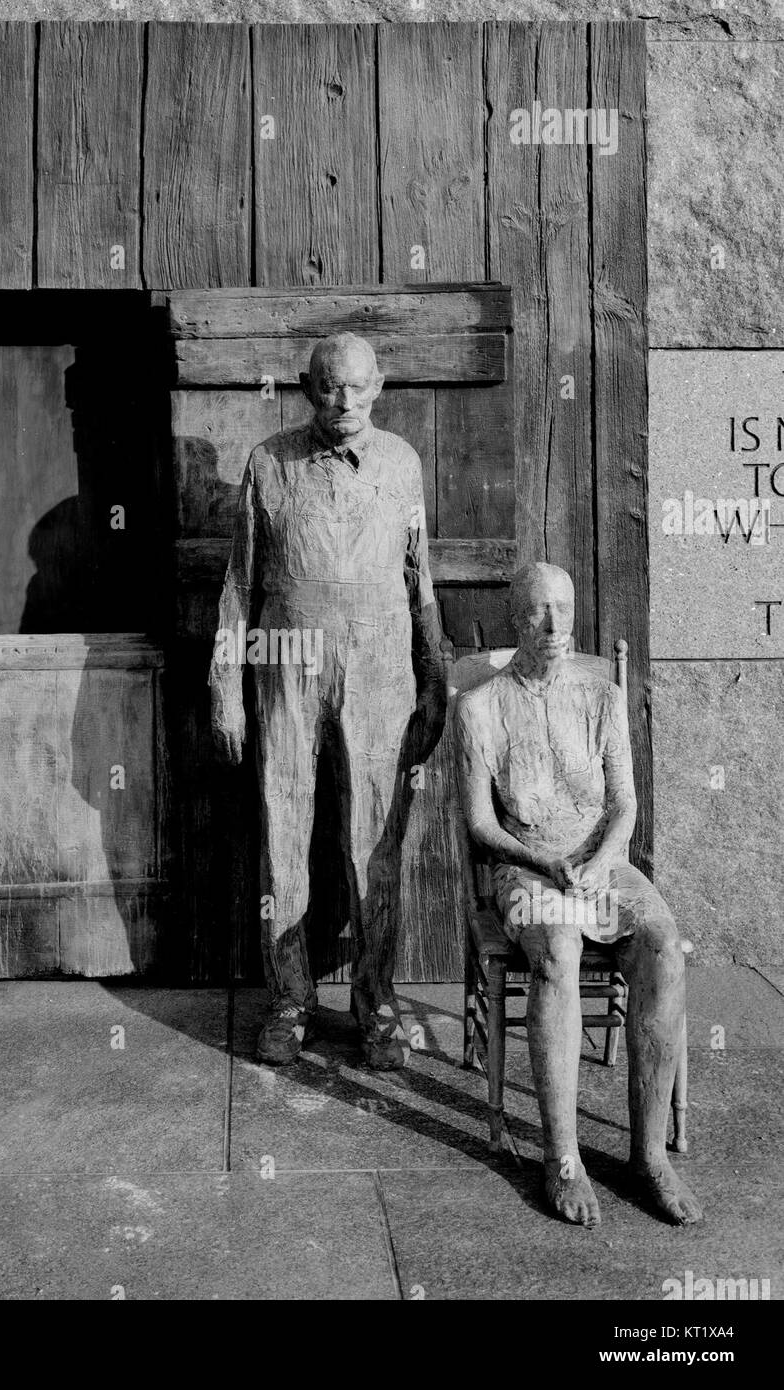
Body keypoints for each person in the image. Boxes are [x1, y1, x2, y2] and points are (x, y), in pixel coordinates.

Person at [210, 333, 450, 1068]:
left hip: (379, 674)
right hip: (285, 669)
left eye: (355, 387)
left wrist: (435, 674)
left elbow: (420, 583)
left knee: (374, 846)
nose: (342, 402)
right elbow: (239, 587)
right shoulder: (269, 463)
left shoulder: (401, 463)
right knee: (283, 836)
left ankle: (377, 1004)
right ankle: (289, 1001)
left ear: (377, 387)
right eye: (327, 387)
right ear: (306, 388)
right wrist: (224, 685)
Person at [455, 561, 702, 1226]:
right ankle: (562, 1158)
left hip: (604, 863)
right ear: (517, 618)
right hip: (526, 868)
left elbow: (623, 804)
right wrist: (540, 860)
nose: (556, 624)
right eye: (539, 610)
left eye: (564, 607)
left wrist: (596, 862)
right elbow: (480, 824)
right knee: (558, 950)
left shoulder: (600, 696)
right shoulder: (480, 707)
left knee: (661, 945)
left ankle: (648, 1154)